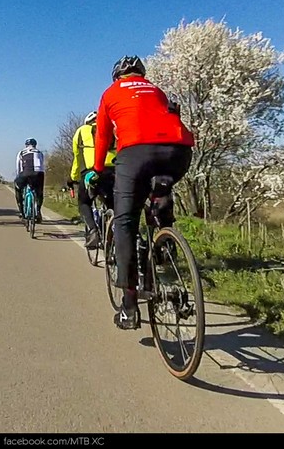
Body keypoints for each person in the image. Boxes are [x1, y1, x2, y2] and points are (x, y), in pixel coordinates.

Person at [85, 55, 194, 330]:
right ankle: (162, 226)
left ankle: (130, 305)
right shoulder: (156, 90)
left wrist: (97, 168)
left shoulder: (110, 93)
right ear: (141, 74)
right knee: (158, 191)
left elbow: (103, 136)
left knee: (124, 222)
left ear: (116, 76)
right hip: (178, 152)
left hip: (135, 153)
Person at [70, 110, 116, 248]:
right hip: (115, 170)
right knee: (113, 203)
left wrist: (73, 177)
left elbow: (77, 159)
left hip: (93, 171)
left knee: (84, 202)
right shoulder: (113, 128)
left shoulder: (82, 131)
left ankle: (93, 231)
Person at [14, 138, 46, 223]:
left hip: (25, 173)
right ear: (35, 145)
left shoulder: (21, 152)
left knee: (18, 189)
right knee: (39, 192)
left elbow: (18, 167)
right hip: (38, 174)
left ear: (26, 145)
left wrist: (18, 177)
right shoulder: (39, 152)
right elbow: (42, 164)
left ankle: (21, 212)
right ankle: (38, 211)